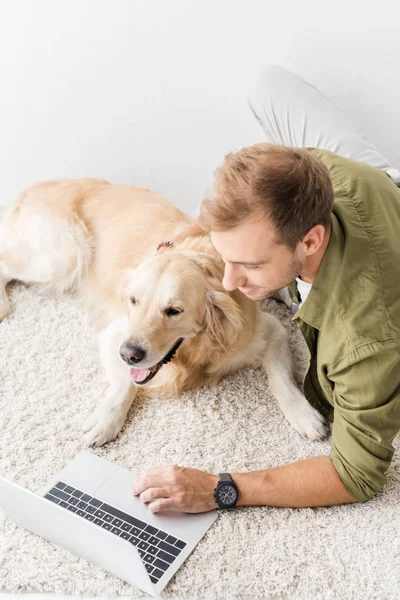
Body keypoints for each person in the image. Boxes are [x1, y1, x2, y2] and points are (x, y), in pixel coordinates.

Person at [132, 64, 400, 513]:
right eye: (225, 256)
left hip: (377, 270)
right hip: (377, 184)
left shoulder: (365, 341)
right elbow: (235, 213)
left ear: (310, 240)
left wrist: (219, 488)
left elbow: (355, 475)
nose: (230, 281)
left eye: (249, 266)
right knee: (267, 85)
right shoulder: (310, 171)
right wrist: (185, 240)